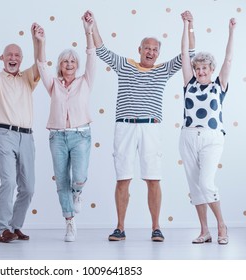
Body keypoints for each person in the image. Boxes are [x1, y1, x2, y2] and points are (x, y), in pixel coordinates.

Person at [88, 10, 195, 242]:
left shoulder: (163, 70)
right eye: (147, 48)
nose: (151, 52)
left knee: (153, 178)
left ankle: (156, 227)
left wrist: (189, 26)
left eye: (155, 49)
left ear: (158, 54)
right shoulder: (125, 66)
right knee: (123, 178)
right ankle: (120, 227)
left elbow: (189, 53)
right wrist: (93, 24)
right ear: (139, 50)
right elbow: (102, 51)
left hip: (151, 128)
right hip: (125, 127)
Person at [33, 12, 96, 242]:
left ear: (77, 65)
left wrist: (87, 30)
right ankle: (69, 222)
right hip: (57, 137)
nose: (69, 64)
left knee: (78, 176)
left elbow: (91, 55)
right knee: (61, 180)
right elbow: (40, 65)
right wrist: (41, 42)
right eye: (65, 61)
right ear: (60, 65)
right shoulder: (53, 85)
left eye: (72, 61)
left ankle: (77, 193)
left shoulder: (85, 81)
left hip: (81, 136)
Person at [0, 24, 42, 243]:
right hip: (4, 134)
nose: (13, 58)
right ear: (2, 58)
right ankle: (2, 229)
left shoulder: (27, 77)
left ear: (21, 59)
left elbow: (40, 63)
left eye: (17, 55)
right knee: (9, 182)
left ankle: (15, 226)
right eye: (9, 55)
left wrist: (37, 40)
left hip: (27, 136)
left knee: (29, 187)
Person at [180, 14, 236, 245]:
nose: (201, 71)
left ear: (211, 69)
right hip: (188, 136)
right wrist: (186, 25)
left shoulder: (218, 85)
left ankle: (221, 225)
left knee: (206, 183)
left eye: (204, 68)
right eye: (198, 68)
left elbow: (229, 59)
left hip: (212, 138)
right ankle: (205, 230)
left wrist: (231, 32)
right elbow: (184, 54)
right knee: (194, 186)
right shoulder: (189, 83)